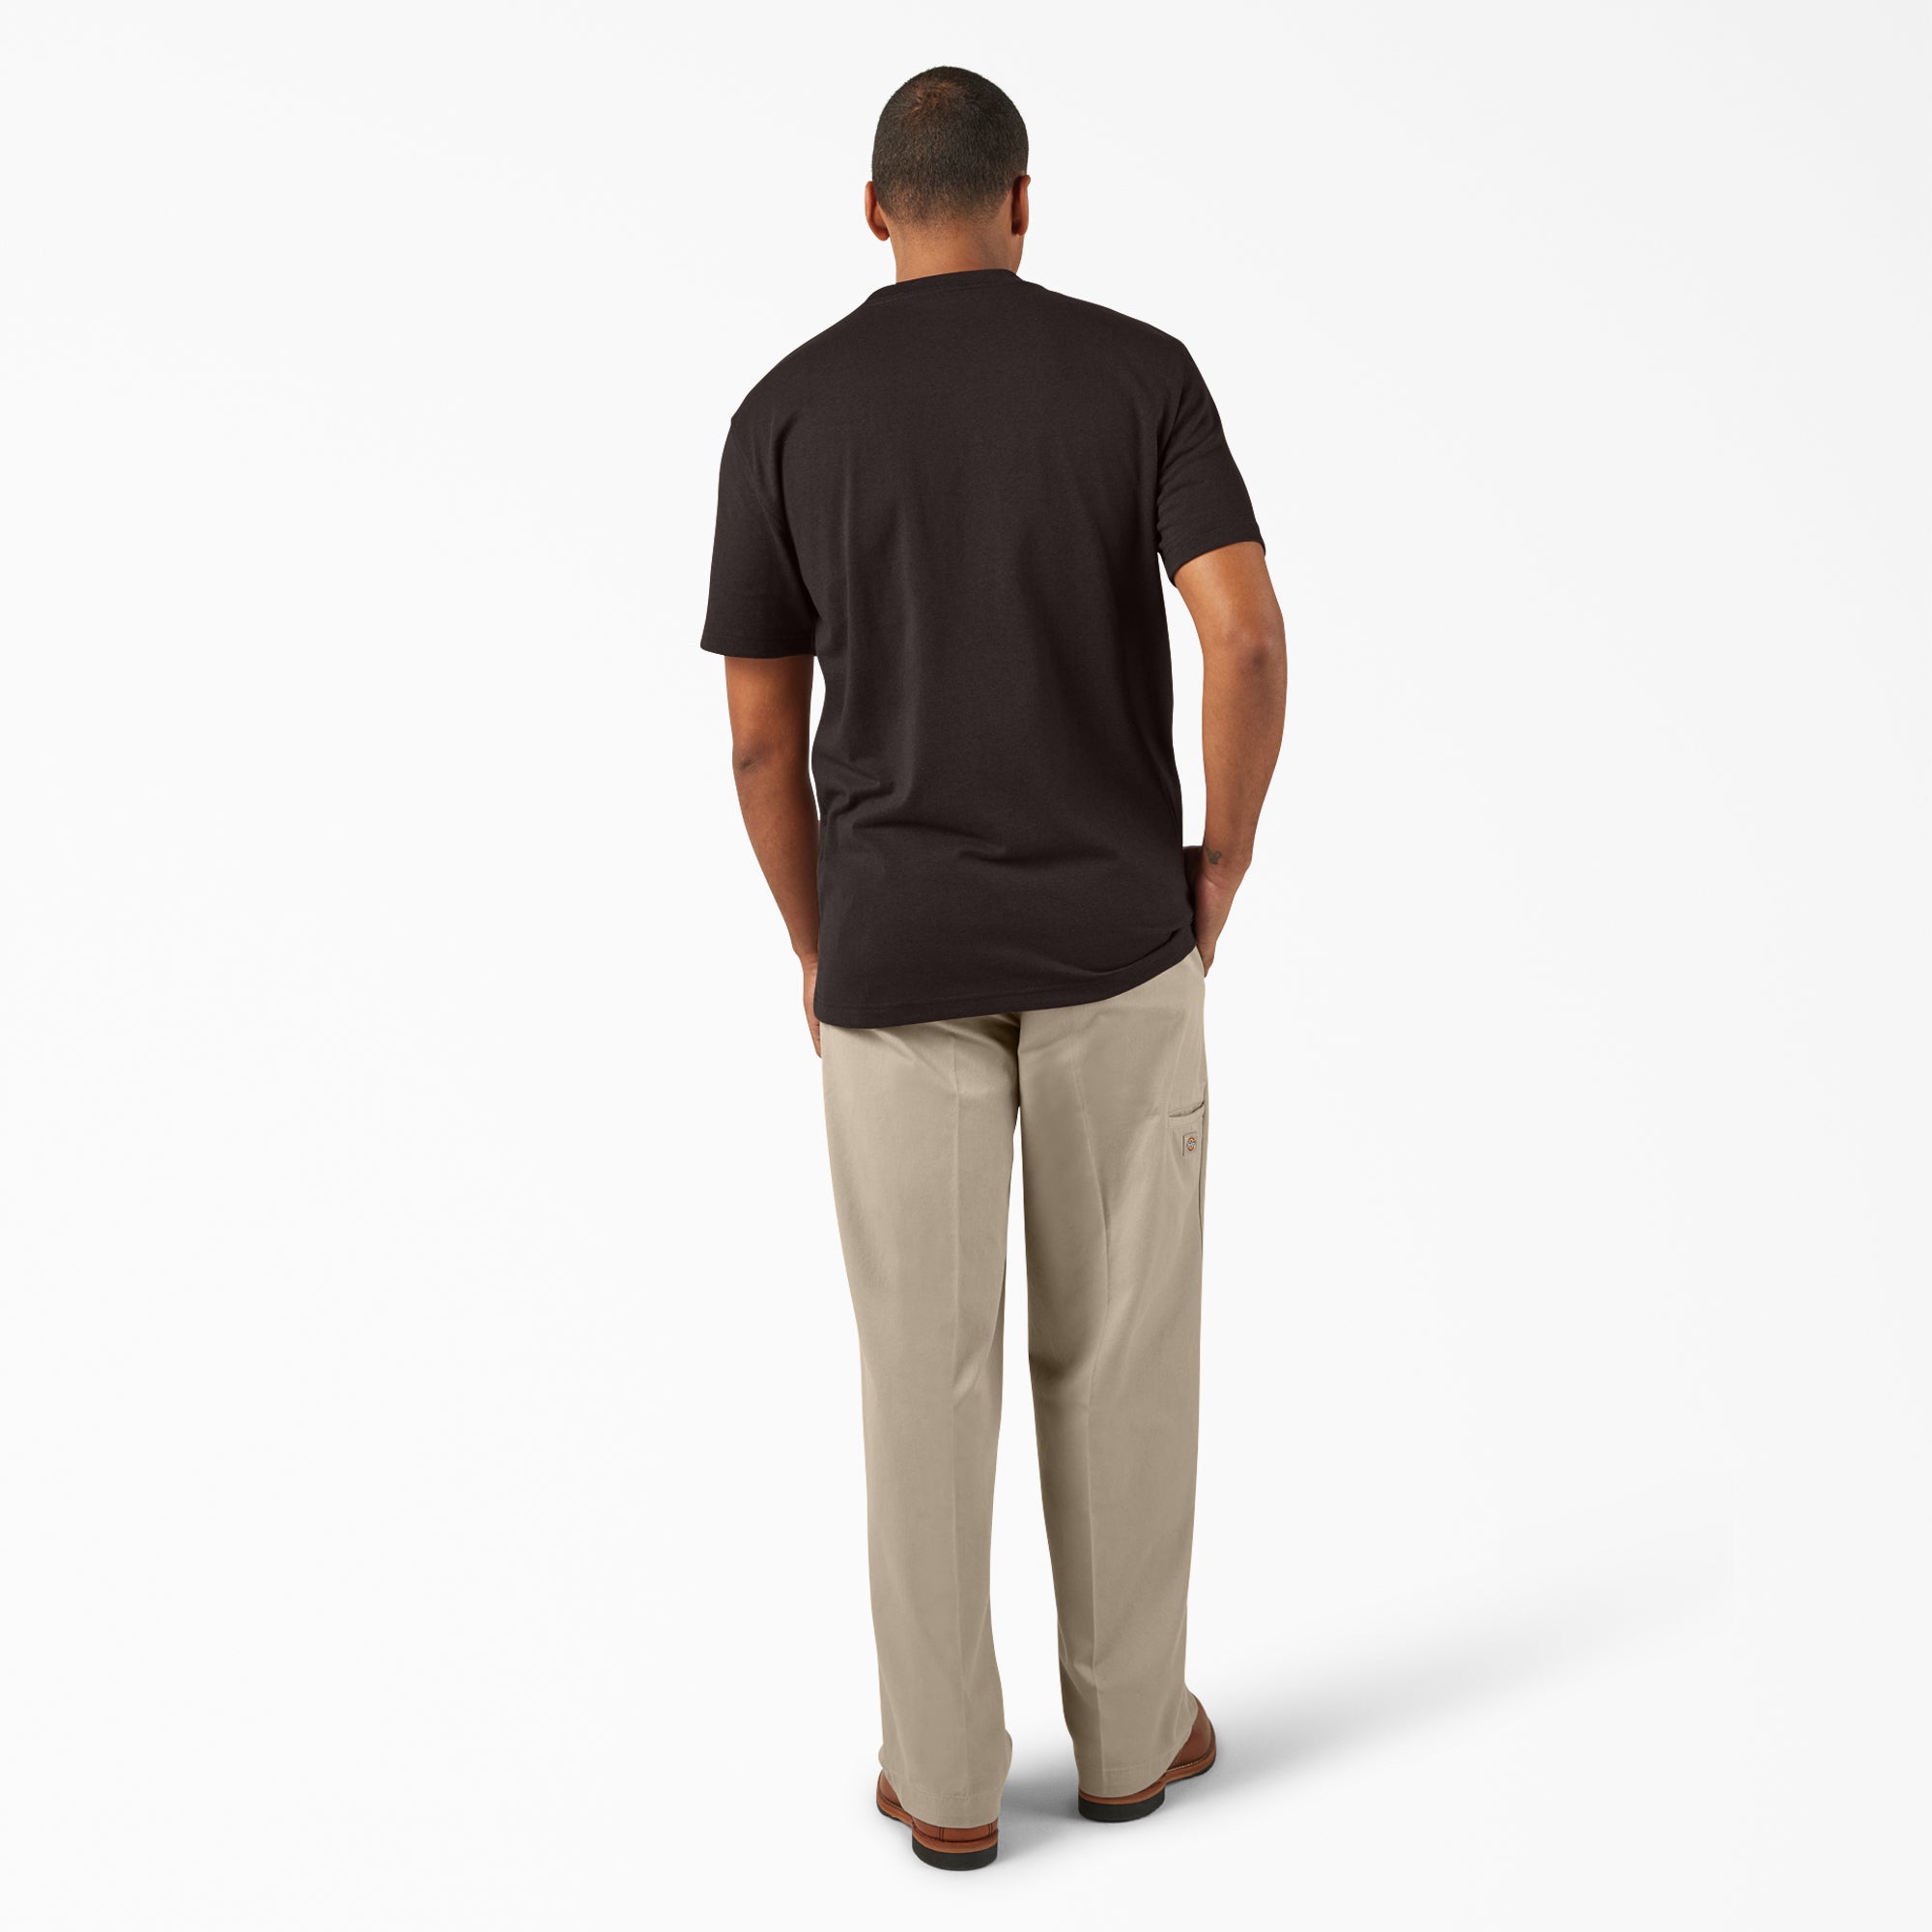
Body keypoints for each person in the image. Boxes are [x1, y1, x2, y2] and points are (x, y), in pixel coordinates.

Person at [701, 66, 1286, 1870]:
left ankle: (948, 1781)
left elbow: (757, 736)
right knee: (1123, 1358)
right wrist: (1221, 860)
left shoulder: (786, 411)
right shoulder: (1139, 374)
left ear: (877, 210)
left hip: (896, 961)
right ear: (1023, 200)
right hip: (1118, 942)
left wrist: (817, 936)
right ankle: (1130, 1735)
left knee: (922, 1378)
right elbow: (1247, 637)